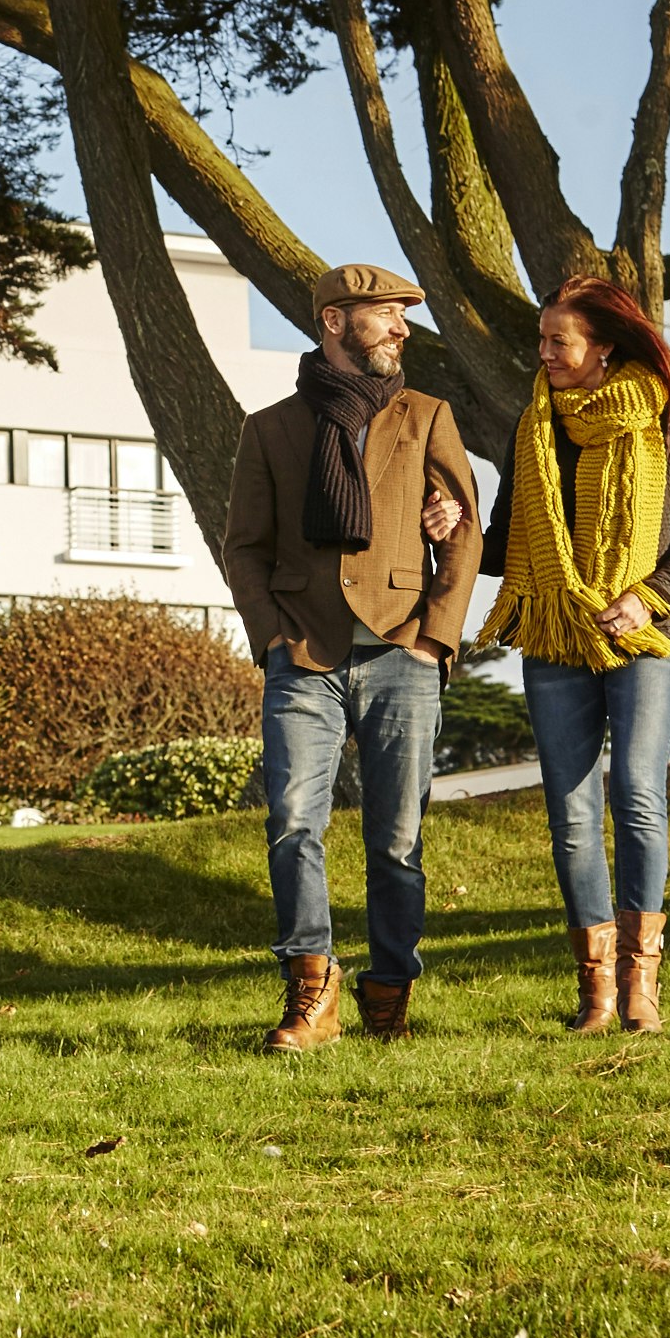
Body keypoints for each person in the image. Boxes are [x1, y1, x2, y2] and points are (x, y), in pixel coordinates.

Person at [220, 263, 482, 1052]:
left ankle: (390, 990)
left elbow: (465, 527)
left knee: (397, 836)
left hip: (403, 648)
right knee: (294, 822)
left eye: (405, 316)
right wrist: (271, 635)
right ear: (336, 321)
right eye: (388, 314)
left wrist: (437, 633)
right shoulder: (269, 428)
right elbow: (244, 547)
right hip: (304, 653)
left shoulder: (426, 414)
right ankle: (312, 992)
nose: (402, 328)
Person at [470, 276, 670, 1035]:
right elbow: (507, 543)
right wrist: (449, 525)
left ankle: (642, 986)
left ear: (604, 347)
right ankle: (597, 994)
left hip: (645, 635)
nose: (544, 352)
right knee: (571, 811)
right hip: (556, 636)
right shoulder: (534, 430)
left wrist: (645, 596)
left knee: (638, 795)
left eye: (560, 341)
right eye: (542, 339)